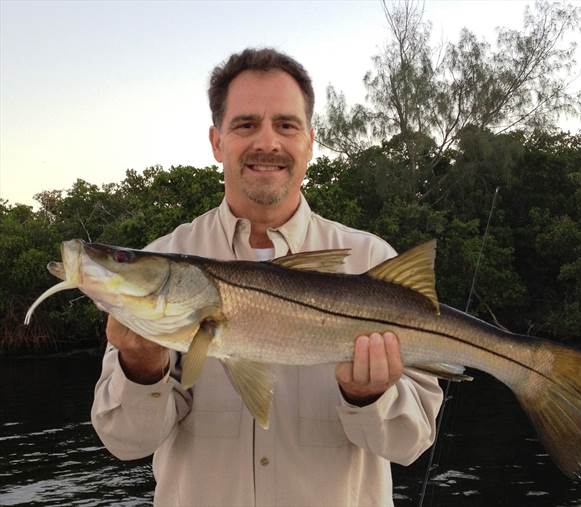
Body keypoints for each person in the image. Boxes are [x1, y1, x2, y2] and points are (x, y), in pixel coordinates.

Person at [91, 48, 443, 507]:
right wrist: (140, 371)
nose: (267, 142)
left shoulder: (370, 260)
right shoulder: (160, 266)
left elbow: (409, 445)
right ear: (217, 142)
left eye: (286, 125)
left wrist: (367, 397)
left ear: (310, 141)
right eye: (245, 124)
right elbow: (125, 443)